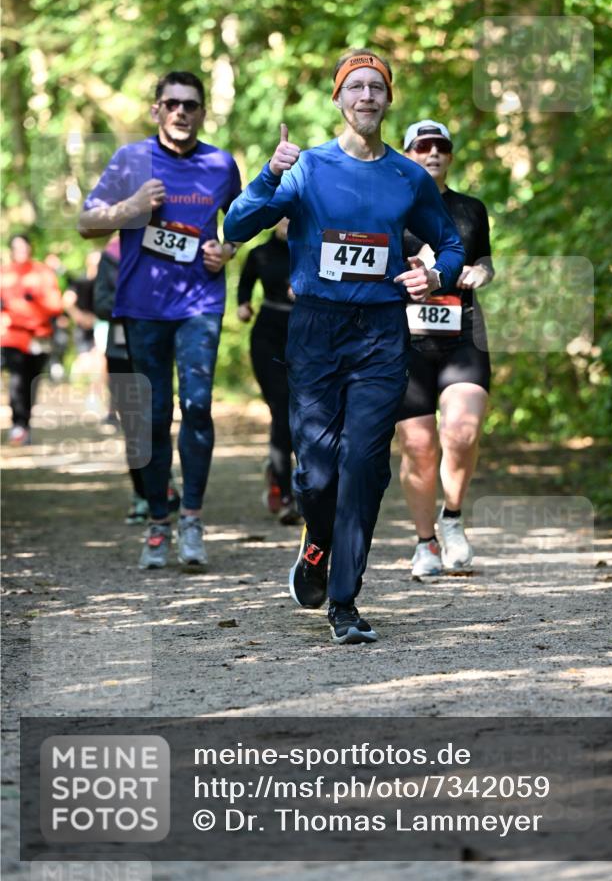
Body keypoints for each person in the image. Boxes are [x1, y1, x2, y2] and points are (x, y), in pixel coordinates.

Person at [223, 49, 464, 644]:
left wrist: (435, 276)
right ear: (337, 99)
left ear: (387, 100)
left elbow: (451, 243)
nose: (365, 96)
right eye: (354, 87)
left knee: (363, 466)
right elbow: (234, 227)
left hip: (382, 332)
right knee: (318, 475)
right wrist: (268, 174)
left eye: (375, 88)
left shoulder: (408, 176)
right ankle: (319, 541)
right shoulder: (306, 168)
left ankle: (344, 601)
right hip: (316, 330)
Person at [79, 71, 241, 571]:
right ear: (156, 110)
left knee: (195, 406)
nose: (181, 112)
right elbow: (86, 223)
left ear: (202, 112)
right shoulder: (130, 160)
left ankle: (190, 519)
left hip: (199, 305)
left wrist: (227, 248)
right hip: (143, 307)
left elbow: (240, 219)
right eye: (171, 103)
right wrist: (129, 207)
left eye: (190, 105)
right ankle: (156, 521)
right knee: (150, 418)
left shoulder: (220, 164)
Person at [396, 120, 494, 578]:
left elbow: (485, 260)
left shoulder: (471, 208)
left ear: (450, 156)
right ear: (408, 154)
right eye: (423, 146)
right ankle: (425, 543)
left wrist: (482, 274)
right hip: (406, 341)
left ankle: (451, 518)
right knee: (418, 446)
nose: (433, 153)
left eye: (441, 146)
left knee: (462, 431)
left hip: (463, 332)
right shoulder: (390, 207)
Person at [93, 236, 181, 524]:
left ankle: (162, 485)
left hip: (155, 346)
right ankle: (142, 494)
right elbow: (101, 303)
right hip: (121, 350)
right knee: (133, 424)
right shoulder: (111, 256)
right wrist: (133, 305)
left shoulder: (159, 247)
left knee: (157, 417)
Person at [236, 217, 300, 525]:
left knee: (305, 413)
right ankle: (286, 494)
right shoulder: (259, 254)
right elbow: (244, 287)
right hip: (268, 337)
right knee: (281, 409)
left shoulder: (312, 249)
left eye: (294, 213)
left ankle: (294, 479)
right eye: (282, 214)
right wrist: (243, 306)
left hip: (305, 336)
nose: (288, 220)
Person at [1, 234, 63, 446]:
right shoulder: (4, 273)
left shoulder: (42, 272)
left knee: (32, 380)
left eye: (24, 247)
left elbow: (56, 305)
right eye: (17, 248)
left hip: (39, 336)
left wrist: (36, 300)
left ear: (30, 248)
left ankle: (25, 422)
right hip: (12, 335)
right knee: (17, 379)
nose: (21, 252)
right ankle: (18, 424)